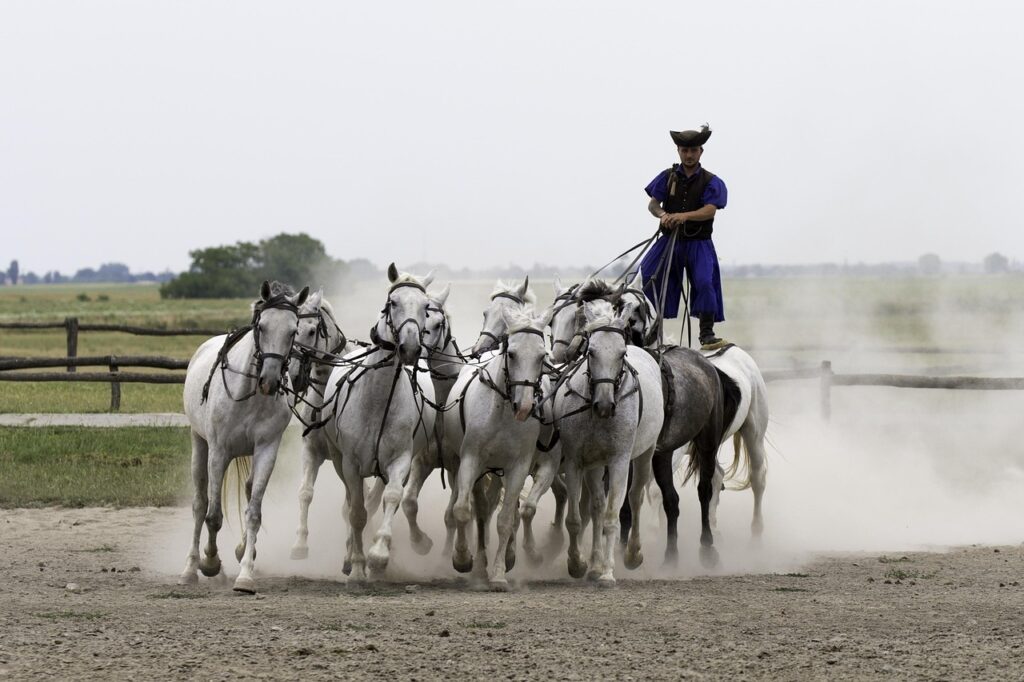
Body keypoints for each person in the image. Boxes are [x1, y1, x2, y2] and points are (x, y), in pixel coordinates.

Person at [640, 124, 728, 349]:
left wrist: (682, 216)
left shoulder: (711, 181)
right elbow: (653, 204)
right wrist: (663, 215)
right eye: (684, 151)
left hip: (699, 244)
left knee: (704, 282)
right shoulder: (667, 176)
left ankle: (706, 334)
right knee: (649, 271)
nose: (689, 155)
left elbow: (710, 210)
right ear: (679, 151)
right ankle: (650, 326)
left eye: (693, 151)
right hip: (671, 242)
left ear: (701, 152)